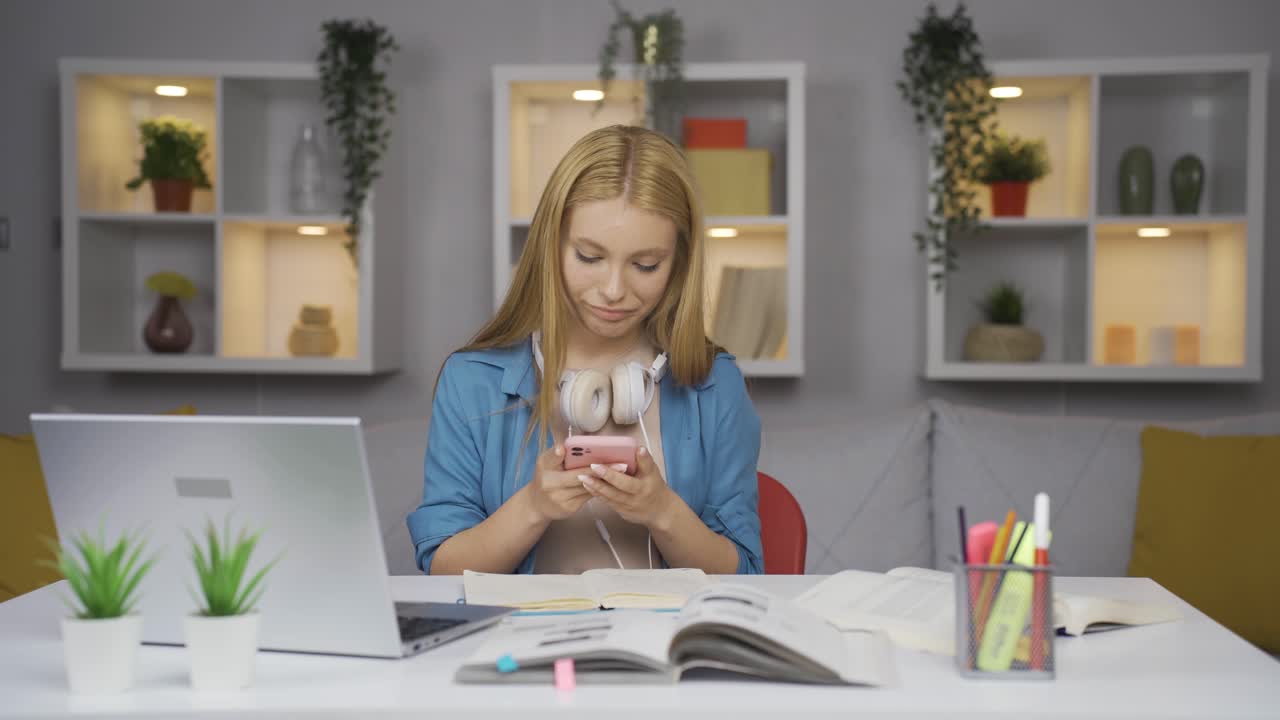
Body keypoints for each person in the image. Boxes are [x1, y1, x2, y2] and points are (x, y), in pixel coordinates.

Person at [406, 124, 763, 576]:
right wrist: (532, 506)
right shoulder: (472, 382)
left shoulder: (714, 385)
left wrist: (663, 512)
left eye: (646, 265)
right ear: (550, 245)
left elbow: (745, 573)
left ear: (678, 264)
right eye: (589, 257)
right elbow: (442, 569)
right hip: (521, 625)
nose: (613, 290)